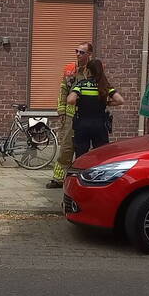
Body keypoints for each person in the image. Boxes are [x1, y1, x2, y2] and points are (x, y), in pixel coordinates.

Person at [47, 42, 94, 189]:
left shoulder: (95, 70)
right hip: (70, 116)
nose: (78, 54)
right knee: (66, 147)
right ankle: (58, 178)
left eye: (82, 52)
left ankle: (82, 177)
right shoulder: (69, 69)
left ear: (89, 54)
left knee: (86, 148)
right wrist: (61, 111)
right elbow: (63, 91)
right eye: (77, 51)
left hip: (88, 116)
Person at [67, 58, 125, 156]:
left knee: (81, 154)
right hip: (100, 125)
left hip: (82, 124)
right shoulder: (104, 85)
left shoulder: (82, 84)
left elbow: (70, 100)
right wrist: (107, 103)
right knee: (101, 154)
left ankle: (81, 170)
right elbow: (120, 100)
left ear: (88, 70)